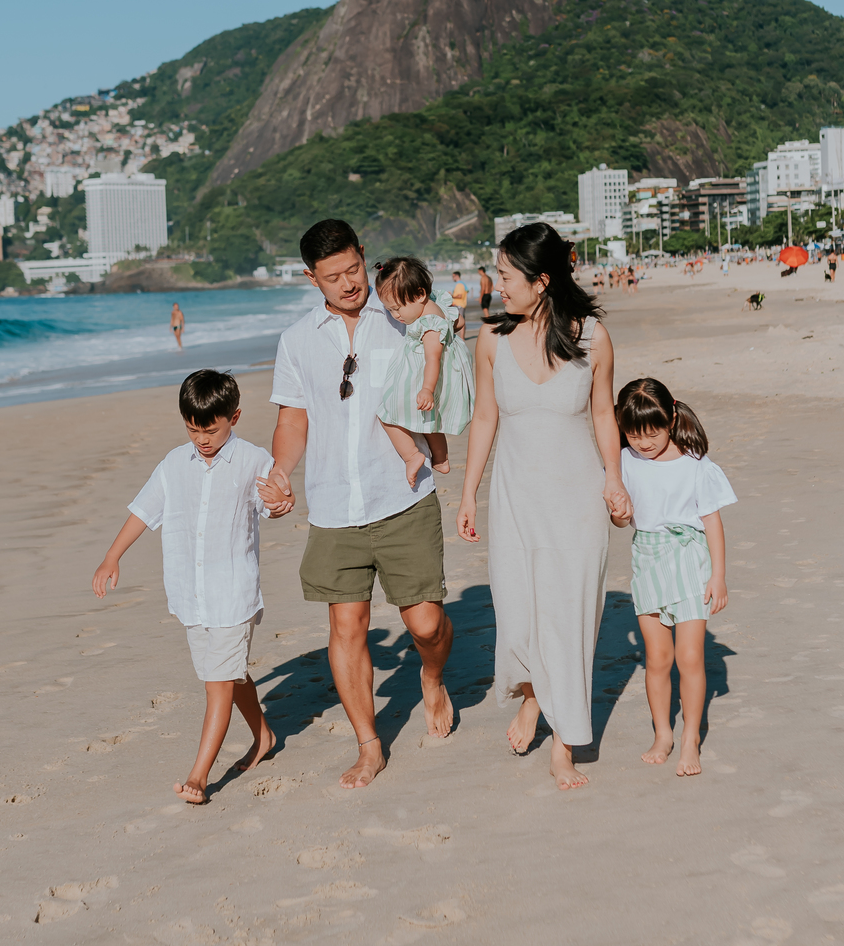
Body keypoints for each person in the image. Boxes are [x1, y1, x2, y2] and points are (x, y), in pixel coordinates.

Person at [263, 219, 454, 789]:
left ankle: (433, 676)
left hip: (402, 493)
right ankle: (369, 744)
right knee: (347, 626)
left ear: (364, 258)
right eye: (332, 277)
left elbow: (450, 359)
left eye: (352, 270)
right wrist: (280, 472)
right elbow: (292, 418)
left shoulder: (404, 317)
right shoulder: (298, 340)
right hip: (331, 505)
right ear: (310, 278)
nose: (347, 284)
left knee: (424, 624)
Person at [456, 222, 631, 791]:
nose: (497, 285)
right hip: (514, 496)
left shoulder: (591, 337)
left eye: (507, 276)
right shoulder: (491, 339)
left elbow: (604, 415)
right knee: (519, 610)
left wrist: (614, 480)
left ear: (542, 280)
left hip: (576, 496)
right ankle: (532, 695)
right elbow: (485, 419)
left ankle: (564, 743)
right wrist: (468, 493)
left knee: (569, 615)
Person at [90, 370, 279, 805]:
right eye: (193, 429)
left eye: (210, 430)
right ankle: (264, 736)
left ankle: (198, 776)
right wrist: (111, 556)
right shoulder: (174, 464)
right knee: (230, 674)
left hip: (233, 593)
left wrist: (282, 502)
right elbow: (143, 511)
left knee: (218, 682)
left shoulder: (253, 460)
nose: (202, 439)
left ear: (234, 417)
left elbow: (276, 503)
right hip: (191, 595)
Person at [611, 378, 734, 778]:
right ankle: (663, 733)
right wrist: (619, 513)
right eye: (633, 434)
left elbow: (712, 522)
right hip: (647, 558)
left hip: (688, 560)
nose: (643, 442)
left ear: (672, 418)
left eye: (652, 432)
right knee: (658, 659)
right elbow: (622, 518)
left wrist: (718, 575)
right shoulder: (625, 461)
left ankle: (690, 739)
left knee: (690, 657)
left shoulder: (696, 465)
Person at [374, 255, 474, 488]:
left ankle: (412, 455)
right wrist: (455, 333)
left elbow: (433, 357)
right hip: (432, 372)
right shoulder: (437, 303)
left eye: (397, 309)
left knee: (387, 414)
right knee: (428, 420)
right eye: (389, 310)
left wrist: (427, 389)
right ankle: (441, 458)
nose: (395, 316)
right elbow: (457, 320)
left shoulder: (429, 323)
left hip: (424, 376)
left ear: (419, 295)